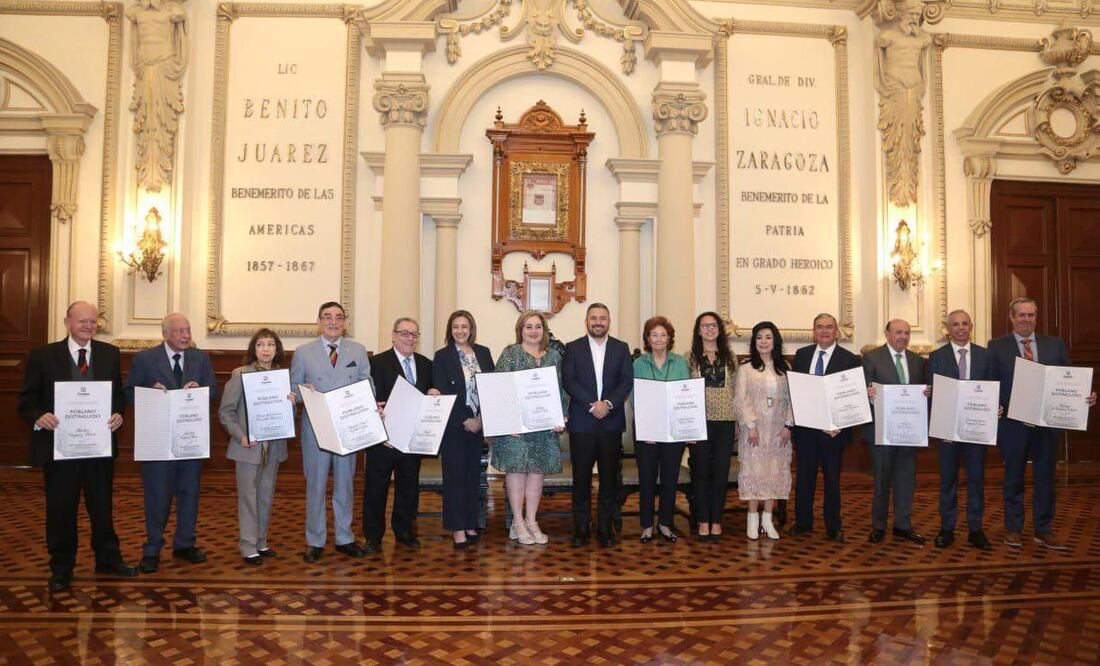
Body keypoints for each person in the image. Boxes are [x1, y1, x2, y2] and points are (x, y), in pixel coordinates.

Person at [17, 301, 138, 592]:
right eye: (82, 321)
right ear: (67, 322)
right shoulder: (44, 356)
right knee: (61, 509)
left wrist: (119, 413)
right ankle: (61, 567)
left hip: (98, 447)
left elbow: (118, 396)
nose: (88, 326)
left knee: (102, 507)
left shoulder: (110, 354)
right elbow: (26, 401)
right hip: (60, 449)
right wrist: (39, 416)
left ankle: (108, 560)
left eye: (93, 321)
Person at [988, 297, 1097, 550]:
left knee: (1046, 477)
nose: (1027, 319)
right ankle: (1013, 529)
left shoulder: (1054, 345)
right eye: (1022, 315)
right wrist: (994, 403)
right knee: (1013, 476)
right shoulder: (996, 346)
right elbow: (990, 382)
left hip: (1047, 424)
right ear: (1012, 318)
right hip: (1013, 424)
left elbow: (1069, 380)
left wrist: (1086, 396)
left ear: (1037, 317)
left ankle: (1043, 529)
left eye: (1032, 314)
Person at [125, 312, 217, 573]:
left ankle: (185, 544)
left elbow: (213, 390)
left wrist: (199, 388)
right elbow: (128, 392)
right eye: (179, 331)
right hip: (156, 440)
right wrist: (148, 393)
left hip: (190, 439)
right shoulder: (145, 359)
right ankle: (152, 549)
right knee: (157, 496)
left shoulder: (201, 358)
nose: (186, 335)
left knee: (189, 494)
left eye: (187, 330)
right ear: (165, 334)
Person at [290, 302, 371, 562]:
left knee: (345, 485)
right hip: (316, 429)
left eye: (338, 317)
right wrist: (303, 390)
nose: (333, 322)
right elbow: (292, 389)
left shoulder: (357, 350)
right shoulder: (303, 352)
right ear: (319, 322)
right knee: (315, 484)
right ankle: (315, 540)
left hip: (348, 428)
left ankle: (344, 537)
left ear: (345, 322)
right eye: (328, 317)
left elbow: (366, 384)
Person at [218, 329, 296, 565]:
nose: (265, 349)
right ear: (254, 349)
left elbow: (287, 417)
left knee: (265, 496)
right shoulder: (240, 374)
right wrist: (240, 436)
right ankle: (248, 545)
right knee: (248, 497)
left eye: (270, 344)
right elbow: (226, 412)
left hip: (273, 448)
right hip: (247, 447)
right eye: (260, 344)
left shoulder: (283, 377)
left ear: (277, 349)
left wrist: (291, 403)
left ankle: (261, 542)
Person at [491, 310, 567, 545]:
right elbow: (499, 388)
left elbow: (562, 389)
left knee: (536, 472)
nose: (533, 331)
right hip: (515, 428)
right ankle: (517, 521)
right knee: (516, 471)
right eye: (528, 327)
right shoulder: (510, 353)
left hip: (544, 427)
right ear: (520, 330)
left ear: (544, 330)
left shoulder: (554, 356)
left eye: (538, 326)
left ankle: (531, 520)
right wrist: (507, 421)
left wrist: (560, 416)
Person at [563, 303, 634, 548]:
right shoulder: (572, 348)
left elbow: (626, 381)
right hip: (582, 423)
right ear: (587, 321)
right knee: (580, 479)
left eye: (603, 318)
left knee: (608, 480)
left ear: (609, 321)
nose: (598, 322)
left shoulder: (621, 348)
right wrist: (592, 405)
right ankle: (581, 529)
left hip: (611, 424)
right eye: (594, 318)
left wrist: (609, 404)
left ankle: (605, 529)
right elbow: (569, 381)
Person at [788, 312, 860, 542]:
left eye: (829, 327)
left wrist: (840, 424)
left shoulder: (849, 359)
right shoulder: (802, 355)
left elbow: (851, 397)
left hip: (833, 432)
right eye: (820, 327)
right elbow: (796, 392)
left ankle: (833, 525)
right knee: (804, 478)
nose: (824, 331)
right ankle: (802, 523)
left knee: (832, 480)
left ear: (836, 331)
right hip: (806, 430)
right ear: (814, 331)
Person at [365, 317, 435, 552]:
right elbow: (367, 397)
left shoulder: (426, 364)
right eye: (404, 333)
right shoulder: (376, 362)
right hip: (383, 440)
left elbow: (430, 395)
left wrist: (434, 392)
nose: (410, 338)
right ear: (393, 335)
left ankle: (404, 532)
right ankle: (373, 537)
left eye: (414, 334)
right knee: (376, 489)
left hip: (412, 440)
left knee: (408, 488)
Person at [928, 310, 995, 550]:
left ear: (971, 326)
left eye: (965, 323)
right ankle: (947, 528)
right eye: (955, 324)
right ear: (948, 328)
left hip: (976, 432)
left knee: (976, 480)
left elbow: (993, 388)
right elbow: (932, 395)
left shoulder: (986, 356)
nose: (960, 328)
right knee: (948, 481)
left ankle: (975, 529)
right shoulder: (936, 357)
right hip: (948, 433)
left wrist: (995, 407)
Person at [862, 319, 929, 545]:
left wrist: (927, 393)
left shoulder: (918, 361)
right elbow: (861, 392)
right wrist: (868, 394)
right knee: (882, 480)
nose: (903, 336)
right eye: (898, 332)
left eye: (907, 333)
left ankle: (903, 524)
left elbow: (922, 392)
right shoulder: (871, 358)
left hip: (909, 432)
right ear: (887, 333)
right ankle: (878, 526)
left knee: (905, 479)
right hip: (882, 431)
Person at [433, 310, 495, 549]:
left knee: (472, 477)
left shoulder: (484, 353)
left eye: (464, 326)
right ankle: (458, 529)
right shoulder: (442, 356)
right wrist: (466, 419)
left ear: (471, 329)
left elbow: (492, 388)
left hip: (479, 426)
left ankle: (470, 522)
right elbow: (442, 391)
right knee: (455, 479)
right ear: (450, 330)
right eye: (455, 326)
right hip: (454, 426)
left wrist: (480, 419)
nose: (460, 331)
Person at [632, 316, 690, 543]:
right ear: (647, 338)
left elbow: (685, 395)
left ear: (669, 338)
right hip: (647, 430)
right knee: (646, 479)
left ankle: (666, 524)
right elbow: (635, 398)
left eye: (663, 335)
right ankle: (646, 525)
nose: (658, 339)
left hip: (673, 430)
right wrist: (649, 428)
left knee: (670, 478)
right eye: (654, 335)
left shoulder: (680, 363)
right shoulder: (638, 364)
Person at [735, 321, 794, 541]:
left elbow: (792, 400)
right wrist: (751, 426)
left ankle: (767, 520)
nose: (763, 341)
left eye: (768, 337)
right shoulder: (746, 368)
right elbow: (741, 400)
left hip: (778, 430)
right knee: (754, 472)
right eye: (759, 337)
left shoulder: (785, 368)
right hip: (755, 431)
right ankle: (752, 519)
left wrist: (788, 426)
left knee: (774, 472)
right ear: (754, 341)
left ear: (775, 340)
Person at [685, 312, 738, 542]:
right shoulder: (690, 358)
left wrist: (737, 422)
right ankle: (702, 520)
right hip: (699, 423)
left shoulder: (730, 357)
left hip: (726, 421)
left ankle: (716, 520)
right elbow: (683, 392)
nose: (709, 329)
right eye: (704, 326)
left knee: (720, 473)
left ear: (719, 329)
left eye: (713, 325)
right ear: (698, 330)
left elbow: (736, 391)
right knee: (700, 473)